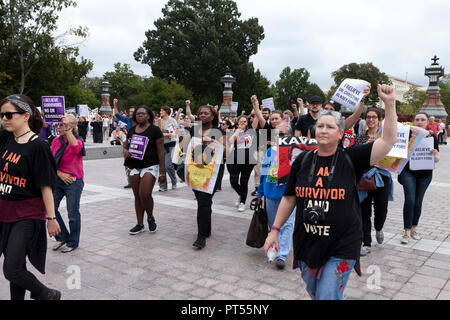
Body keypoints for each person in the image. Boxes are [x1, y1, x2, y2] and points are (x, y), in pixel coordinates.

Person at [264, 84, 398, 300]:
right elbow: (289, 198)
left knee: (326, 296)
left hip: (342, 244)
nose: (324, 130)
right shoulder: (302, 160)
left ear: (341, 132)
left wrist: (390, 104)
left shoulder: (352, 157)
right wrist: (275, 230)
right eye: (320, 126)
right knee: (315, 292)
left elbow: (389, 141)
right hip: (307, 242)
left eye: (330, 127)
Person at [0, 94, 62, 300]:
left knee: (12, 270)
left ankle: (46, 293)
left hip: (27, 214)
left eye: (9, 114)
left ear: (25, 115)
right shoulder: (6, 138)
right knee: (16, 265)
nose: (4, 119)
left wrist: (51, 218)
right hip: (4, 212)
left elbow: (46, 186)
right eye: (2, 115)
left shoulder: (39, 146)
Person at [186, 105, 225, 249]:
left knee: (203, 200)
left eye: (206, 113)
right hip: (195, 169)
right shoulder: (193, 129)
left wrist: (213, 142)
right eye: (200, 113)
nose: (202, 115)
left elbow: (226, 152)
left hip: (212, 172)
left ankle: (201, 237)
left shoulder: (219, 131)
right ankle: (206, 228)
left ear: (213, 116)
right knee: (202, 201)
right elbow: (187, 148)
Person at [257, 124, 295, 270]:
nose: (278, 137)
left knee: (288, 224)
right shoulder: (270, 151)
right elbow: (263, 173)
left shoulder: (296, 152)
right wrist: (260, 192)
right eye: (276, 134)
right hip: (271, 194)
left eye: (282, 134)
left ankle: (282, 255)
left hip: (289, 196)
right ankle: (273, 248)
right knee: (274, 224)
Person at [356, 107, 393, 256]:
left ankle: (378, 227)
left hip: (382, 176)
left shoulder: (385, 137)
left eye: (374, 117)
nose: (371, 120)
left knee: (381, 209)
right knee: (364, 211)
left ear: (379, 119)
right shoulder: (360, 138)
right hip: (365, 177)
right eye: (368, 117)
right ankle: (366, 242)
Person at [398, 112, 440, 244]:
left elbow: (437, 158)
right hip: (408, 171)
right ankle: (406, 232)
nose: (420, 122)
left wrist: (435, 154)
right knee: (410, 200)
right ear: (413, 121)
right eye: (417, 119)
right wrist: (401, 127)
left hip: (425, 174)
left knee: (418, 201)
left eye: (423, 120)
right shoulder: (406, 133)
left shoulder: (432, 136)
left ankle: (414, 228)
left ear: (427, 122)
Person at [123, 106, 165, 235]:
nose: (140, 115)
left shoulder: (155, 130)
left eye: (143, 113)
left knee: (145, 194)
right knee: (137, 196)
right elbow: (126, 145)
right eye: (138, 114)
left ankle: (150, 217)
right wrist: (125, 151)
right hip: (134, 165)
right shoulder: (131, 130)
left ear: (148, 116)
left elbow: (161, 152)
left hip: (150, 165)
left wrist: (162, 172)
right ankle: (140, 224)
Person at [51, 114, 86, 253]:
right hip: (58, 179)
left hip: (74, 181)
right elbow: (51, 161)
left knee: (72, 212)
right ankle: (62, 236)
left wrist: (67, 129)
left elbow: (75, 147)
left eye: (62, 125)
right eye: (59, 124)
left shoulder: (78, 140)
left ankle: (73, 242)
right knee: (51, 209)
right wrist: (60, 174)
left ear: (70, 126)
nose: (58, 127)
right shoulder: (55, 141)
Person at [226, 115, 257, 212]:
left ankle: (242, 202)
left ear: (247, 123)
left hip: (248, 160)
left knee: (244, 181)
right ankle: (241, 194)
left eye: (244, 121)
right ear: (237, 122)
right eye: (241, 121)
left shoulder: (251, 131)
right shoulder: (234, 131)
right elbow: (230, 141)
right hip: (235, 158)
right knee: (233, 181)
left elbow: (256, 119)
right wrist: (237, 132)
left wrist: (257, 108)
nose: (242, 123)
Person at [158, 106, 179, 192]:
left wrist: (165, 134)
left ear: (166, 112)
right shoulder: (160, 121)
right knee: (161, 166)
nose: (160, 112)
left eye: (161, 110)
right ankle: (163, 185)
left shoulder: (172, 120)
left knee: (168, 165)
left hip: (171, 144)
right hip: (162, 145)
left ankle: (174, 181)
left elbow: (175, 132)